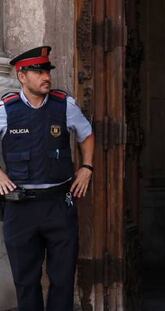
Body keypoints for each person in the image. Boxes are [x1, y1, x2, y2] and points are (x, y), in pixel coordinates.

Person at [0, 46, 94, 310]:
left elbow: (87, 135)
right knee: (26, 280)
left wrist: (87, 167)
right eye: (39, 71)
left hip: (58, 205)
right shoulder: (7, 109)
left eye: (47, 71)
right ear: (21, 76)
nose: (46, 77)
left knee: (63, 278)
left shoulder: (64, 105)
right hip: (21, 208)